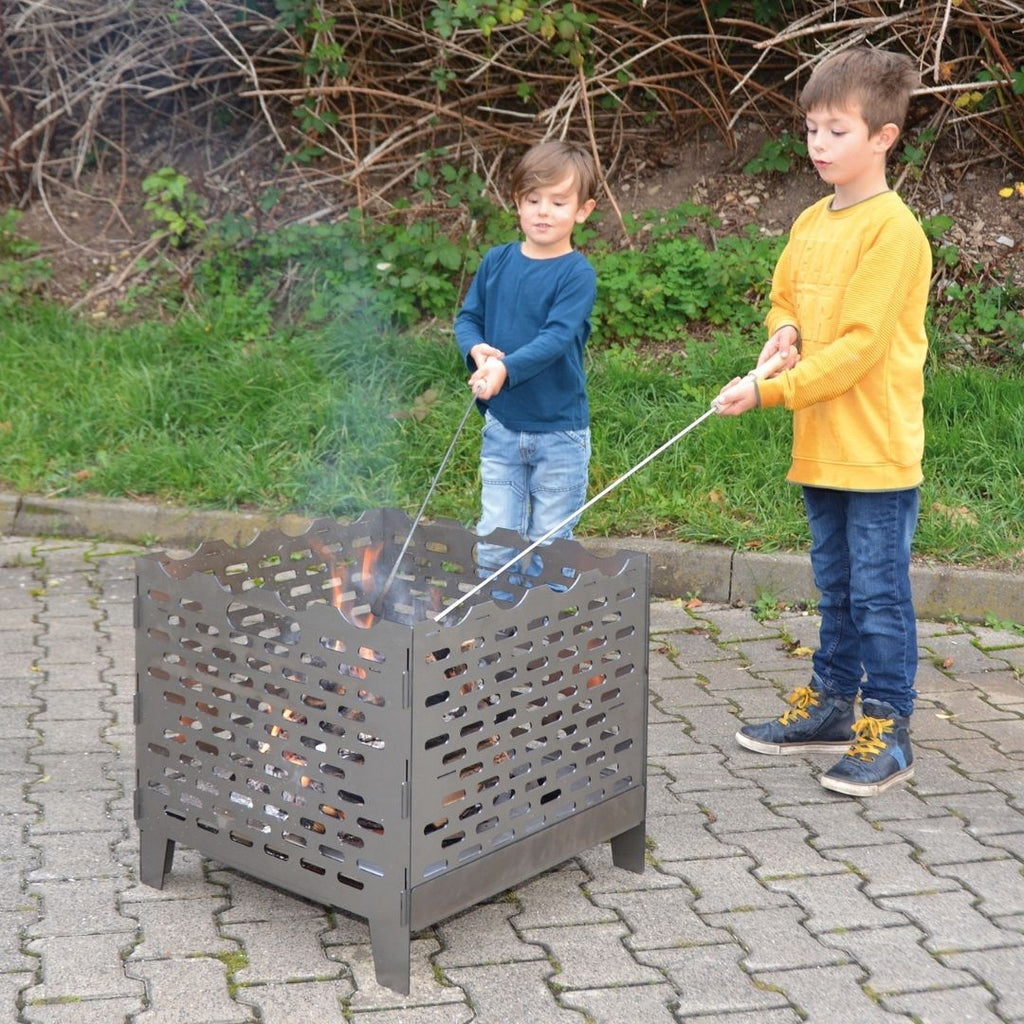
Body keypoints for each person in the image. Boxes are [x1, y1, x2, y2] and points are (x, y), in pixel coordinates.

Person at [714, 47, 930, 797]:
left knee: (879, 595)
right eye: (811, 128)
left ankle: (889, 727)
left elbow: (863, 349)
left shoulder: (893, 231)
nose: (817, 143)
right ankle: (833, 706)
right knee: (835, 590)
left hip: (875, 453)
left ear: (883, 137)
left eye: (837, 130)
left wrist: (770, 393)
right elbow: (787, 299)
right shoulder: (811, 220)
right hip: (821, 449)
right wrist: (783, 333)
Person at [454, 139, 598, 591]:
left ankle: (545, 638)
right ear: (517, 203)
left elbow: (555, 339)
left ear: (582, 211)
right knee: (495, 540)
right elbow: (467, 319)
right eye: (532, 200)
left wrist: (505, 369)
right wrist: (477, 350)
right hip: (502, 429)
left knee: (549, 547)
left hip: (558, 433)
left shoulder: (576, 274)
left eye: (558, 202)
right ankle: (497, 630)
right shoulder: (497, 261)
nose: (543, 211)